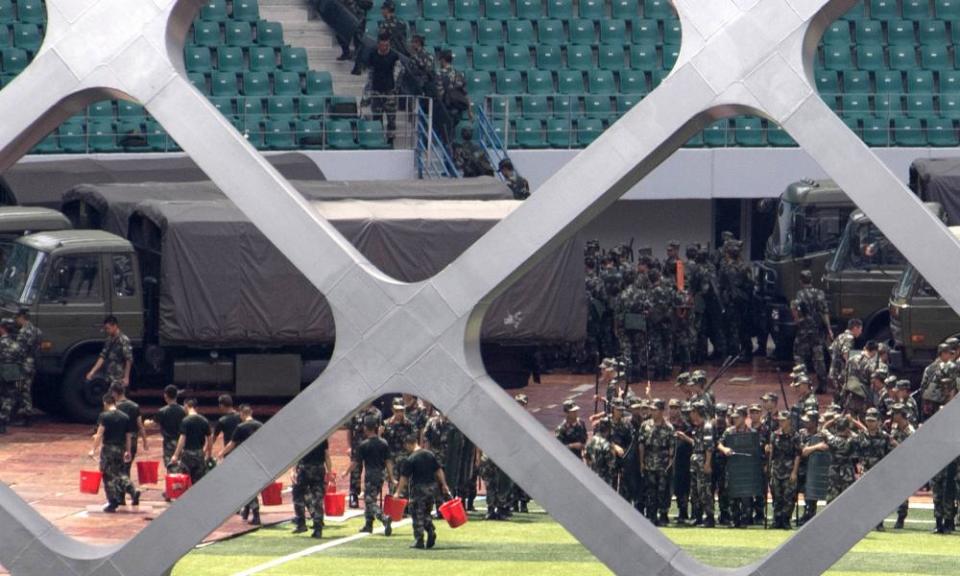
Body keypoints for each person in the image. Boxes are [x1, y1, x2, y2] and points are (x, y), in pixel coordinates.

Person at [394, 434, 452, 549]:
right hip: (432, 488)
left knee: (416, 513)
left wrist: (398, 492)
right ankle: (430, 530)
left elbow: (404, 477)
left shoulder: (411, 459)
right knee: (426, 512)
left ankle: (419, 538)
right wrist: (444, 485)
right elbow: (438, 470)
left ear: (408, 444)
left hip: (419, 489)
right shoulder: (430, 454)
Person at [89, 393, 138, 513]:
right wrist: (128, 450)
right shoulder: (125, 417)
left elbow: (100, 434)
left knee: (108, 475)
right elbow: (128, 436)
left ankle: (113, 502)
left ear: (105, 403)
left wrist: (93, 449)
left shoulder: (104, 416)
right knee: (120, 472)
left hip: (108, 449)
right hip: (120, 448)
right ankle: (132, 489)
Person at [345, 421, 394, 535]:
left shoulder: (364, 444)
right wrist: (391, 477)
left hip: (371, 474)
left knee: (369, 501)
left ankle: (383, 518)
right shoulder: (383, 443)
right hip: (380, 474)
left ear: (367, 428)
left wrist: (346, 472)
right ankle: (368, 525)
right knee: (370, 499)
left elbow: (356, 462)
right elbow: (388, 462)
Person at [220, 405, 263, 525]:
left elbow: (232, 444)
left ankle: (256, 515)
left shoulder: (240, 427)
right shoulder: (260, 425)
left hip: (245, 460)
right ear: (251, 412)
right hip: (258, 460)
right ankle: (246, 511)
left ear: (241, 414)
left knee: (248, 487)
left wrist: (221, 453)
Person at [791, 270, 832, 393]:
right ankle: (823, 383)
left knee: (799, 355)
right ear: (812, 280)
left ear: (800, 281)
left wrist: (797, 320)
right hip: (817, 329)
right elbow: (825, 312)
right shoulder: (820, 293)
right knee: (818, 357)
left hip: (804, 329)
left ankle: (803, 382)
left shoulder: (800, 294)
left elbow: (795, 309)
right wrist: (829, 329)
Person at [676, 401, 714, 527]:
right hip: (695, 460)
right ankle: (698, 517)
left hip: (703, 460)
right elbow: (697, 443)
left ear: (698, 412)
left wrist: (707, 463)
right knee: (695, 491)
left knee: (704, 490)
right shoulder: (697, 426)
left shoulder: (707, 427)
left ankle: (709, 517)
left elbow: (709, 447)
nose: (690, 414)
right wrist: (685, 438)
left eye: (692, 412)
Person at [638, 398, 675, 525]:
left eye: (655, 410)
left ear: (661, 411)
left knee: (663, 490)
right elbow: (641, 444)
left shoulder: (669, 427)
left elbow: (671, 446)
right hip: (649, 462)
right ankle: (652, 515)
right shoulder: (645, 425)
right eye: (651, 409)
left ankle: (663, 514)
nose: (652, 412)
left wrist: (670, 462)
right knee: (650, 490)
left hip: (663, 463)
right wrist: (641, 462)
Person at [716, 406, 753, 528]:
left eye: (737, 417)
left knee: (746, 496)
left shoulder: (752, 433)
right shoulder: (729, 431)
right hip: (732, 467)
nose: (734, 420)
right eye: (733, 418)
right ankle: (734, 519)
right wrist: (724, 449)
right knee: (732, 494)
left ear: (744, 417)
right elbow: (719, 444)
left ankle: (745, 519)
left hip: (746, 469)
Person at [857, 407, 893, 530]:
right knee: (864, 498)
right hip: (865, 470)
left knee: (879, 499)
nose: (869, 423)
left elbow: (891, 453)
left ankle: (879, 523)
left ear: (878, 421)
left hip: (880, 471)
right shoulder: (861, 436)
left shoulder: (885, 437)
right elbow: (856, 453)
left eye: (872, 421)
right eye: (868, 420)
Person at [292, 438, 334, 538]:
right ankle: (318, 528)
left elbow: (297, 454)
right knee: (318, 499)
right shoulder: (322, 437)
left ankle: (301, 523)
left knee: (298, 495)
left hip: (304, 468)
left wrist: (293, 470)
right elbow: (327, 456)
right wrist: (330, 472)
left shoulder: (304, 435)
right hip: (319, 468)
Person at [111, 383, 147, 499]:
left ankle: (129, 493)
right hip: (133, 441)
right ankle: (124, 496)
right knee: (126, 469)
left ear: (115, 393)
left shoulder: (114, 407)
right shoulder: (134, 406)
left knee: (117, 470)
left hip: (119, 442)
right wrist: (145, 441)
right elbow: (140, 425)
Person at [766, 410, 801, 529]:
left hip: (789, 470)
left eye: (783, 420)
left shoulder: (795, 436)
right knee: (777, 496)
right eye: (780, 420)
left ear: (789, 421)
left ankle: (786, 520)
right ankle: (777, 519)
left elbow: (797, 454)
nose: (781, 422)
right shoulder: (774, 435)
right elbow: (772, 453)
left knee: (789, 496)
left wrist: (794, 472)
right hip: (776, 470)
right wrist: (769, 467)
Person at [170, 399, 212, 485]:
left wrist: (175, 455)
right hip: (200, 453)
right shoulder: (204, 420)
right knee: (198, 481)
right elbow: (210, 439)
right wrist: (208, 453)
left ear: (186, 406)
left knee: (184, 480)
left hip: (187, 454)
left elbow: (182, 439)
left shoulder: (185, 421)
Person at [366, 33, 399, 144]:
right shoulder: (372, 55)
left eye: (386, 45)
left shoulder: (394, 56)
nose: (384, 48)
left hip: (389, 91)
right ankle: (378, 139)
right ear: (378, 44)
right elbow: (370, 73)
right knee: (377, 117)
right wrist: (368, 89)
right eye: (382, 45)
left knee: (391, 117)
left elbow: (398, 73)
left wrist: (395, 88)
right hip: (376, 90)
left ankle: (390, 140)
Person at [348, 404, 383, 509]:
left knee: (372, 470)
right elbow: (350, 431)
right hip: (357, 446)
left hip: (372, 446)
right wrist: (349, 446)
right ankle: (353, 495)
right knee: (355, 471)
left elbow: (380, 430)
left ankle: (372, 495)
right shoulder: (355, 411)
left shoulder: (377, 413)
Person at [86, 316, 133, 389]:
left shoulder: (123, 340)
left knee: (118, 398)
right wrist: (92, 372)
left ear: (115, 326)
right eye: (106, 329)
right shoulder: (109, 339)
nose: (107, 331)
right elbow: (102, 356)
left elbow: (128, 359)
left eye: (108, 328)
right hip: (109, 376)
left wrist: (126, 377)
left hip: (119, 376)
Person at [888, 403, 915, 529]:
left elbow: (911, 451)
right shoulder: (893, 427)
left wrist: (895, 444)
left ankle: (901, 518)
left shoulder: (910, 431)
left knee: (902, 493)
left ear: (900, 415)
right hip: (892, 464)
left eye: (895, 413)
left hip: (904, 465)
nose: (892, 416)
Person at [13, 309, 40, 423]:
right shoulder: (36, 330)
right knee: (26, 388)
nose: (16, 321)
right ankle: (27, 414)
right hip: (32, 362)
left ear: (22, 317)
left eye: (17, 318)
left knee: (23, 389)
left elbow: (20, 349)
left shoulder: (24, 331)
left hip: (24, 363)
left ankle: (27, 415)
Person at [153, 385, 185, 474]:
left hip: (169, 443)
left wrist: (147, 423)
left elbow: (154, 424)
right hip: (182, 442)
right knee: (182, 466)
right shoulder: (184, 410)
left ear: (165, 396)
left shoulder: (162, 411)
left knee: (171, 467)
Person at [584, 418, 621, 488]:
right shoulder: (607, 445)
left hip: (593, 476)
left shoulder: (591, 440)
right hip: (604, 480)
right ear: (608, 430)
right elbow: (611, 464)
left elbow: (587, 457)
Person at [383, 397, 417, 473]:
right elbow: (382, 442)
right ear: (392, 410)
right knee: (392, 484)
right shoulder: (386, 424)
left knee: (405, 483)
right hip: (391, 460)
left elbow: (414, 442)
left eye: (401, 410)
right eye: (397, 411)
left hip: (405, 460)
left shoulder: (409, 424)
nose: (399, 413)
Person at [828, 319, 862, 393]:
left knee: (837, 395)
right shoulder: (849, 338)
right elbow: (846, 354)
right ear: (855, 328)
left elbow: (831, 349)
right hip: (841, 373)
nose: (860, 332)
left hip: (834, 371)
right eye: (860, 329)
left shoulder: (840, 336)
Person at [0, 321, 20, 434]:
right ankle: (4, 420)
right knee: (11, 396)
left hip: (2, 370)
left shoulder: (1, 342)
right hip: (14, 372)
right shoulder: (16, 344)